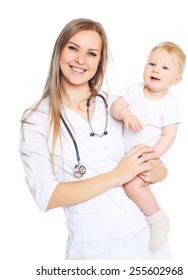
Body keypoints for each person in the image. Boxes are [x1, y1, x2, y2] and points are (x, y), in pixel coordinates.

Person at [19, 18, 172, 260]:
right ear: (59, 50)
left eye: (91, 53)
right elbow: (46, 196)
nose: (81, 60)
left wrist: (155, 170)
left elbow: (159, 168)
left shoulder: (118, 105)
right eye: (73, 48)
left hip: (147, 248)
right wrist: (116, 176)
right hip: (91, 252)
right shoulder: (37, 118)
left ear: (100, 61)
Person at [111, 41, 186, 251]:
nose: (155, 70)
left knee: (132, 185)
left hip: (152, 155)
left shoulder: (168, 104)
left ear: (176, 80)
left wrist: (153, 154)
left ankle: (157, 219)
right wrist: (125, 113)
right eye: (151, 63)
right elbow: (116, 107)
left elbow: (169, 135)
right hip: (129, 154)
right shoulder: (134, 90)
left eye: (165, 67)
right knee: (124, 181)